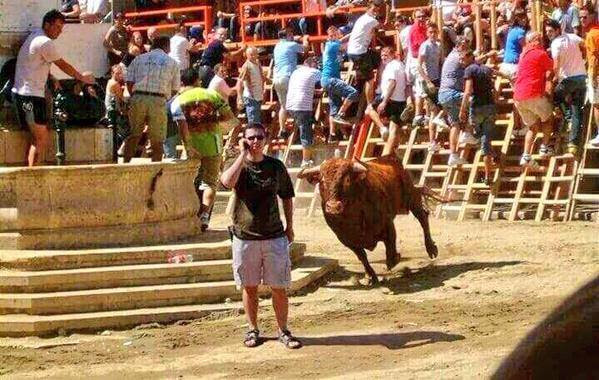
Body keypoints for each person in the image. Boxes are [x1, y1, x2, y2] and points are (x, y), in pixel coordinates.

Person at [219, 122, 300, 350]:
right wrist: (242, 155)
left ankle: (283, 330)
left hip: (274, 234)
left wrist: (290, 226)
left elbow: (287, 196)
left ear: (266, 139)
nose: (255, 142)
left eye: (259, 137)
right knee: (249, 286)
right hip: (245, 236)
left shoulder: (275, 166)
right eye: (251, 138)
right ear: (245, 139)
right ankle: (252, 329)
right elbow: (226, 182)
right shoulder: (238, 165)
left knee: (278, 287)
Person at [12, 9, 94, 166]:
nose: (59, 32)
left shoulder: (35, 36)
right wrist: (81, 77)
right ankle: (32, 176)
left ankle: (31, 172)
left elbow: (35, 62)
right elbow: (63, 65)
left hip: (25, 94)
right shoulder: (45, 42)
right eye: (57, 27)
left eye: (61, 29)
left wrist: (51, 77)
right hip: (30, 96)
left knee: (37, 137)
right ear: (47, 24)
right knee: (41, 138)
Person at [172, 87, 239, 230]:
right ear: (198, 81)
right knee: (209, 183)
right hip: (213, 144)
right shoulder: (211, 94)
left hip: (192, 146)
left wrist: (188, 146)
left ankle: (189, 216)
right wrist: (212, 121)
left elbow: (181, 126)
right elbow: (229, 118)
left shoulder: (178, 100)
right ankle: (204, 215)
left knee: (189, 181)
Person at [125, 35, 180, 162]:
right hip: (158, 99)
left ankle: (125, 165)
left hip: (138, 96)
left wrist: (135, 95)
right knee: (157, 140)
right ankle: (156, 171)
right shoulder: (172, 63)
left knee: (134, 135)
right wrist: (163, 98)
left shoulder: (138, 59)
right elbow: (175, 88)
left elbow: (129, 82)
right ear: (167, 46)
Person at [513, 31, 554, 169]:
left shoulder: (523, 54)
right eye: (541, 39)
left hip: (519, 96)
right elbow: (552, 67)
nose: (543, 41)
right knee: (547, 118)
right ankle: (544, 147)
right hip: (533, 93)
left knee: (533, 127)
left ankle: (526, 156)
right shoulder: (540, 53)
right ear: (536, 40)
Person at [545, 19, 586, 155]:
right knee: (576, 109)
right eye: (547, 32)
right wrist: (583, 58)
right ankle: (573, 144)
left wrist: (554, 78)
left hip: (568, 79)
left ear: (557, 30)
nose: (548, 34)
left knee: (555, 96)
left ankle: (567, 118)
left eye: (550, 31)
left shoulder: (556, 43)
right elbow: (585, 44)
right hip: (581, 77)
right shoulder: (572, 37)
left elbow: (556, 65)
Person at [459, 49, 497, 183]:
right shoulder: (485, 69)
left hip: (477, 107)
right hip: (490, 106)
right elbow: (494, 86)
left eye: (463, 59)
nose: (461, 61)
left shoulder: (469, 70)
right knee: (486, 138)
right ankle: (488, 173)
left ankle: (489, 155)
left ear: (470, 57)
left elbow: (468, 91)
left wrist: (463, 109)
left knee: (478, 137)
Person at [365, 46, 409, 156]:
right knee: (394, 130)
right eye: (382, 55)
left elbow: (392, 83)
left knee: (369, 109)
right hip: (401, 100)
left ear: (393, 54)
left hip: (390, 98)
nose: (384, 58)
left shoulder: (391, 67)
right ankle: (386, 155)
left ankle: (382, 128)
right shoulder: (401, 65)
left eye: (386, 55)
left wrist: (384, 101)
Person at [321, 26, 359, 142]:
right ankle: (341, 113)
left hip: (327, 80)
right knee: (353, 93)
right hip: (331, 80)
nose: (333, 37)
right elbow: (345, 44)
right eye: (331, 35)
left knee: (334, 108)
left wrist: (351, 33)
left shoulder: (330, 44)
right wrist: (356, 33)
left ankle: (332, 135)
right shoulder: (332, 45)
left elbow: (343, 40)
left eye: (335, 35)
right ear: (329, 37)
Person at [347, 0, 385, 104]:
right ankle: (370, 103)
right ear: (368, 9)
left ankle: (343, 110)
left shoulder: (361, 18)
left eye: (377, 10)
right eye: (374, 10)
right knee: (370, 79)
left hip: (355, 51)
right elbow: (382, 26)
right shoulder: (371, 20)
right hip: (359, 53)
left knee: (380, 59)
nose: (375, 12)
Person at [286, 56, 321, 168]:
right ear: (313, 65)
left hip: (291, 105)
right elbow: (324, 79)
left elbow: (302, 86)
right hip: (302, 106)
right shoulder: (313, 71)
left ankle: (300, 156)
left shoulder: (296, 72)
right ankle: (305, 160)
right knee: (306, 132)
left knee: (302, 127)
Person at [273, 27, 309, 136]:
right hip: (287, 77)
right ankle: (300, 130)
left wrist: (295, 39)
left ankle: (283, 130)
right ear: (288, 36)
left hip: (277, 78)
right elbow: (305, 49)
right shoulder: (291, 45)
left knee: (284, 107)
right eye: (291, 34)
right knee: (296, 104)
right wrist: (305, 39)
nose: (293, 35)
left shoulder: (277, 46)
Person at [417, 22, 444, 152]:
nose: (433, 34)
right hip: (428, 80)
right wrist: (427, 81)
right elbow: (419, 66)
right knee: (433, 109)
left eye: (435, 32)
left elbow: (441, 62)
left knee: (437, 108)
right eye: (430, 32)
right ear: (427, 33)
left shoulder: (438, 46)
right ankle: (432, 140)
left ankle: (436, 137)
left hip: (437, 79)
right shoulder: (425, 46)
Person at [164, 68, 200, 160]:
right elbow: (182, 125)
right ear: (196, 82)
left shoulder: (184, 96)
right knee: (172, 162)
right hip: (170, 132)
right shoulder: (180, 100)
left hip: (173, 131)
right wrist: (188, 147)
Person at [580, 6, 599, 147]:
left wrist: (592, 76)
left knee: (597, 104)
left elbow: (594, 58)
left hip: (597, 74)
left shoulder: (592, 34)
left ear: (593, 16)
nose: (582, 20)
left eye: (585, 17)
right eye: (580, 17)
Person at [408, 9, 430, 126]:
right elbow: (423, 47)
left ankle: (419, 115)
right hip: (418, 61)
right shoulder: (416, 29)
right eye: (419, 16)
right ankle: (421, 115)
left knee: (420, 88)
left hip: (419, 61)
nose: (421, 18)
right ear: (414, 18)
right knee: (423, 89)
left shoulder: (422, 27)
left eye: (423, 16)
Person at [237, 47, 266, 124]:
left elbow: (261, 77)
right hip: (251, 97)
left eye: (255, 54)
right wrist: (240, 98)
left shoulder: (257, 64)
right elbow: (239, 82)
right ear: (247, 55)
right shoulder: (246, 66)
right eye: (251, 55)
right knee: (253, 120)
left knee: (257, 119)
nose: (253, 56)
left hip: (258, 95)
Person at [105, 64, 129, 152]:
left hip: (111, 111)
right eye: (117, 74)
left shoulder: (109, 81)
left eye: (121, 74)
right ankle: (121, 151)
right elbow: (124, 98)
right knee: (131, 132)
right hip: (114, 112)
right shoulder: (115, 84)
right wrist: (126, 87)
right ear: (112, 73)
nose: (120, 76)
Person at [499, 9, 527, 82]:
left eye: (525, 17)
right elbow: (525, 48)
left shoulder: (511, 30)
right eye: (522, 18)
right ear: (517, 19)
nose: (524, 20)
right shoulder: (520, 31)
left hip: (504, 65)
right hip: (514, 66)